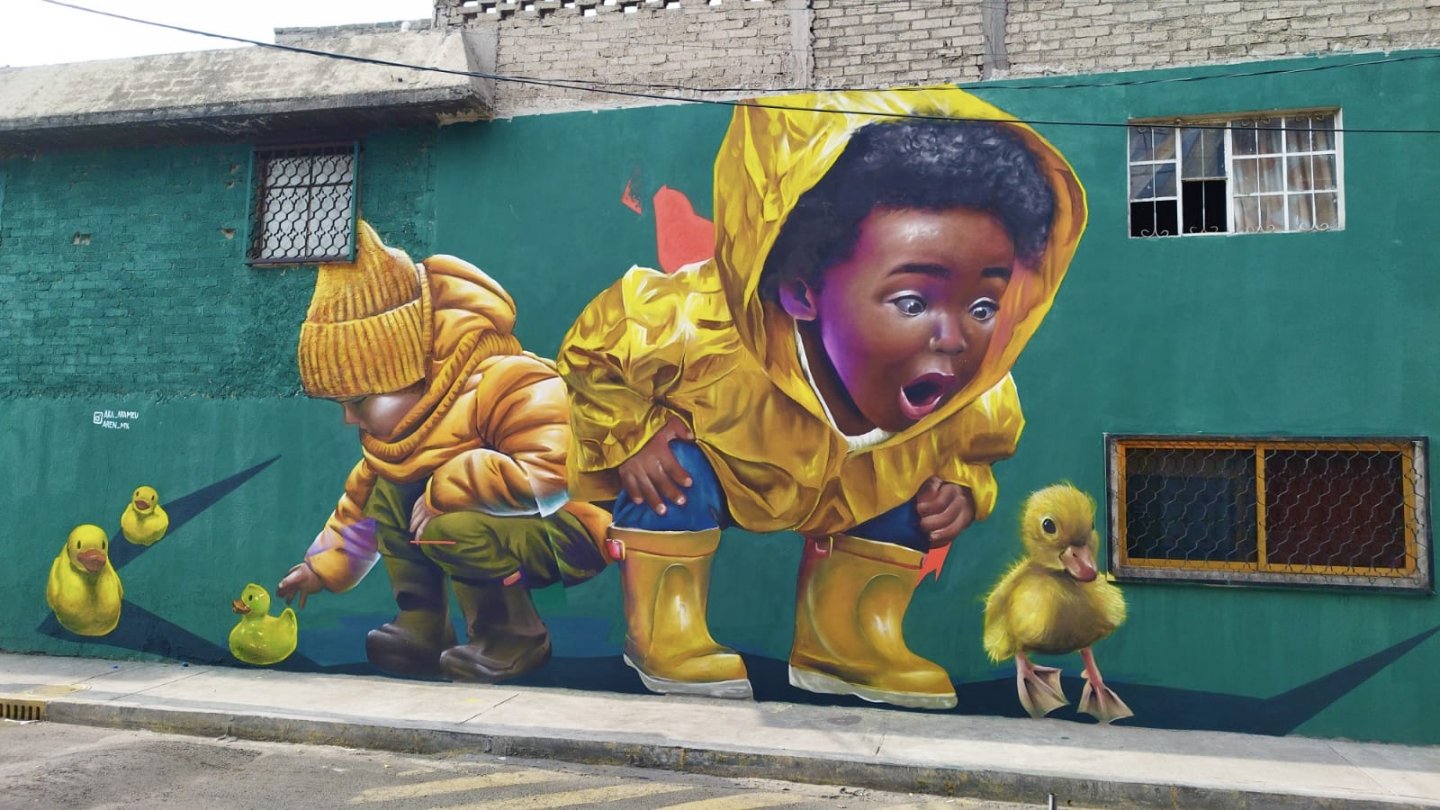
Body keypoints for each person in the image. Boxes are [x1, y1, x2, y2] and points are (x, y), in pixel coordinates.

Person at [557, 88, 1086, 709]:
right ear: (802, 290)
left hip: (858, 490)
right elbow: (593, 353)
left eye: (983, 307)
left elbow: (975, 452)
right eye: (912, 302)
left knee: (913, 494)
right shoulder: (698, 329)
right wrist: (633, 435)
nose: (953, 338)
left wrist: (962, 489)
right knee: (673, 476)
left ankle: (849, 639)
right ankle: (665, 627)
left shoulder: (976, 398)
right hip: (727, 466)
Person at [277, 221, 609, 683]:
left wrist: (450, 485)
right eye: (341, 405)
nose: (350, 419)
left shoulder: (506, 381)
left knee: (448, 526)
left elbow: (555, 473)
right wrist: (320, 570)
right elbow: (358, 511)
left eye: (360, 401)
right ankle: (421, 627)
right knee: (389, 496)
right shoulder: (401, 439)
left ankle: (513, 635)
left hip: (569, 528)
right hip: (489, 527)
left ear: (409, 371)